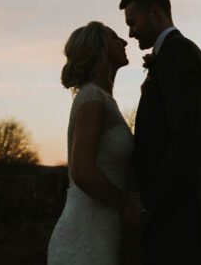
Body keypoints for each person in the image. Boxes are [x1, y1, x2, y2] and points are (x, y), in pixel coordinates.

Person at [121, 0, 201, 264]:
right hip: (177, 212)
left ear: (154, 12)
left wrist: (152, 202)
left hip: (182, 217)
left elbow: (186, 135)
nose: (129, 33)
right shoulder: (171, 55)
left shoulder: (178, 54)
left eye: (133, 22)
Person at [48, 21, 144, 264]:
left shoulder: (103, 99)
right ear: (99, 50)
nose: (124, 41)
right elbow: (82, 171)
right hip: (85, 235)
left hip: (103, 231)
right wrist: (125, 205)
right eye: (114, 37)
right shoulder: (92, 99)